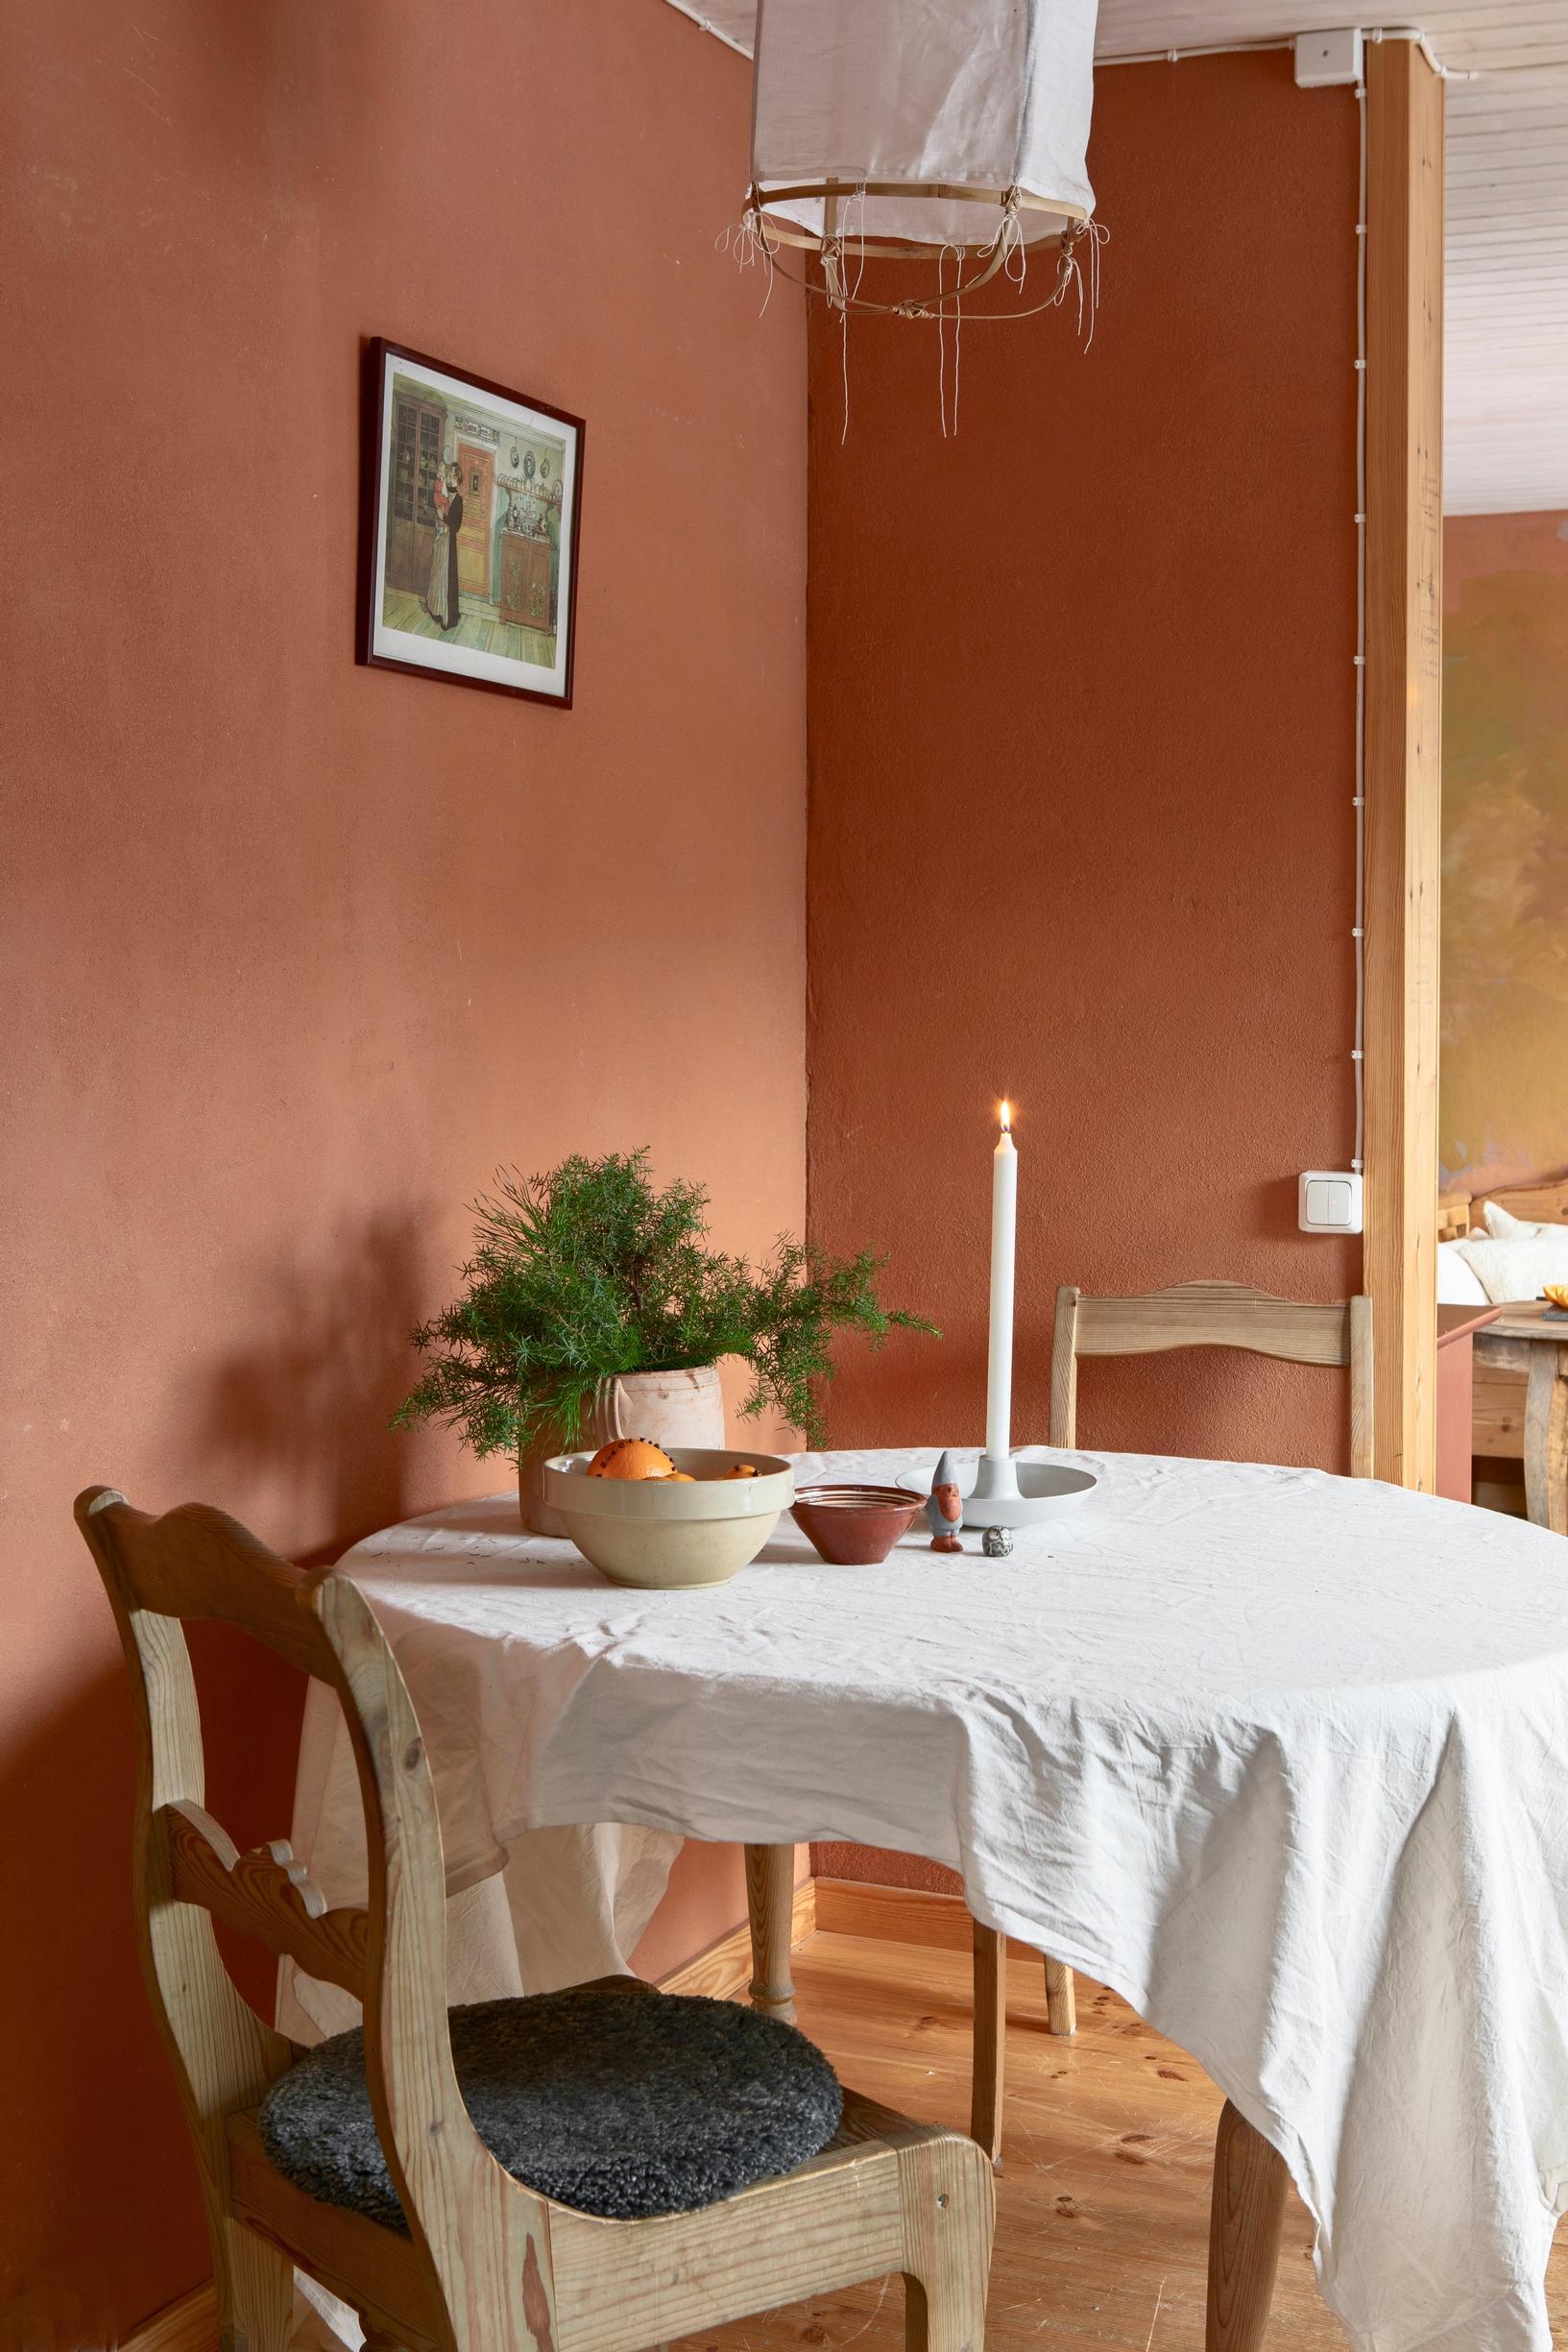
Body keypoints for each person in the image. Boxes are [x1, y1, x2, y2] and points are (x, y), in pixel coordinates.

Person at [425, 461, 463, 630]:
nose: (450, 478)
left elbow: (456, 525)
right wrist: (439, 514)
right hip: (442, 539)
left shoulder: (459, 500)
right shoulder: (445, 494)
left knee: (447, 576)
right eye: (449, 475)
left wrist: (443, 517)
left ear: (458, 480)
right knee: (438, 572)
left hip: (449, 541)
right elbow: (433, 500)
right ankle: (436, 609)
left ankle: (448, 616)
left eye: (453, 476)